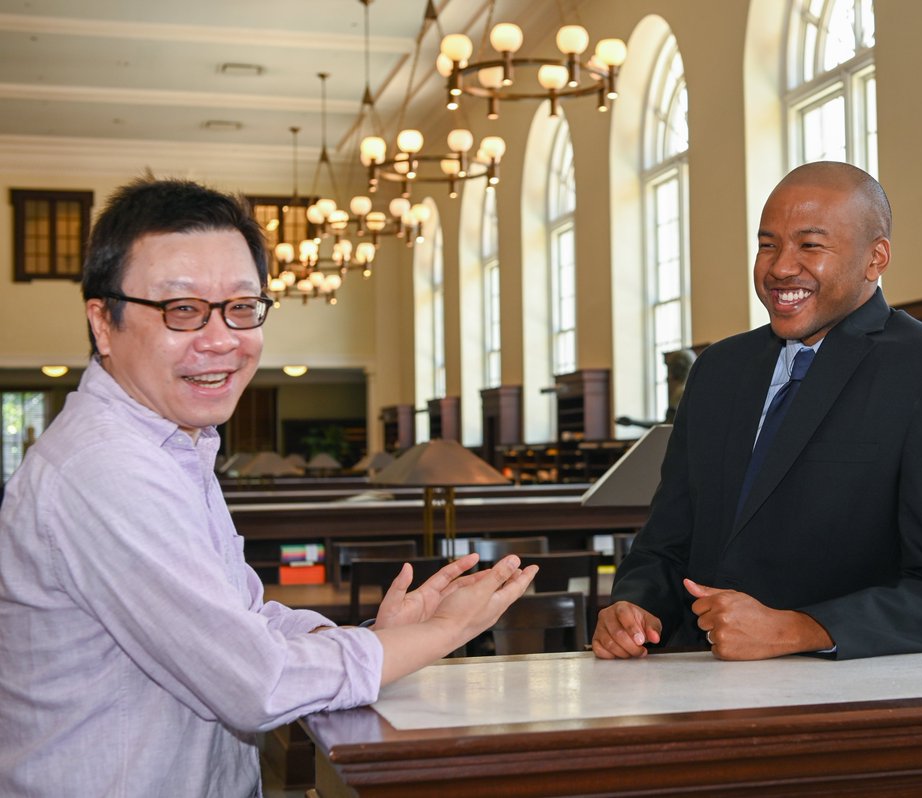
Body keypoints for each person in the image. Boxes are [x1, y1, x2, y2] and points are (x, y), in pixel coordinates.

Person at [0, 177, 537, 797]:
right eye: (182, 310)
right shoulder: (106, 468)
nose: (221, 339)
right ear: (104, 322)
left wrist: (374, 638)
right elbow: (256, 682)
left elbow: (241, 619)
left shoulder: (175, 444)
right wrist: (441, 632)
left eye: (242, 307)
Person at [593, 161, 922, 662]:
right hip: (696, 684)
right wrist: (634, 607)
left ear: (876, 258)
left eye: (810, 245)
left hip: (845, 701)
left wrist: (798, 629)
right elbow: (667, 541)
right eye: (768, 244)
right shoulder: (718, 370)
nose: (781, 267)